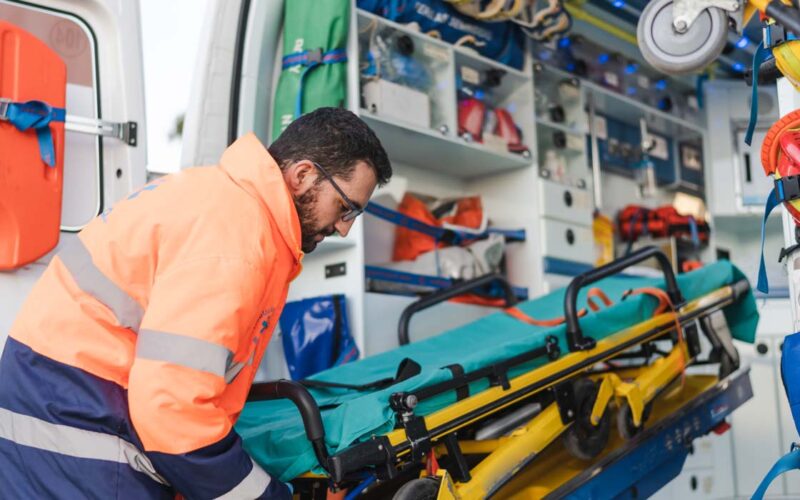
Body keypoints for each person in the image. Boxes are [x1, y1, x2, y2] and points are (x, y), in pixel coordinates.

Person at [0, 107, 391, 498]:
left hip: (52, 418)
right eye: (346, 208)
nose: (344, 228)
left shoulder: (217, 199)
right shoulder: (236, 239)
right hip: (78, 435)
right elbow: (173, 410)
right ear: (303, 175)